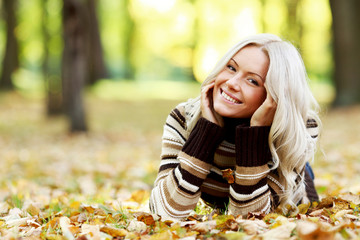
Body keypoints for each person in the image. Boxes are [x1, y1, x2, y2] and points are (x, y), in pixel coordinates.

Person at [149, 33, 321, 220]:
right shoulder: (184, 117)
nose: (231, 83)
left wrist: (255, 134)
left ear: (275, 96)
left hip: (293, 199)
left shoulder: (300, 128)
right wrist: (206, 131)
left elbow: (252, 221)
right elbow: (162, 213)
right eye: (231, 68)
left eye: (252, 81)